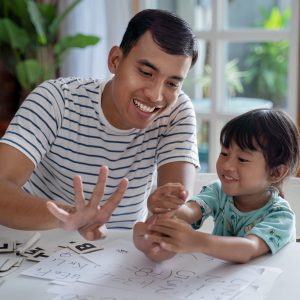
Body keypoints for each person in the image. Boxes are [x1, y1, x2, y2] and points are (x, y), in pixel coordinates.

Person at [0, 9, 199, 242]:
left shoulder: (176, 112)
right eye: (146, 72)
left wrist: (165, 222)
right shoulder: (56, 99)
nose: (156, 96)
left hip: (119, 259)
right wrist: (69, 216)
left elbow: (175, 212)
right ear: (115, 60)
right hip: (38, 247)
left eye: (172, 84)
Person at [135, 108, 300, 263]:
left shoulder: (280, 216)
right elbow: (189, 212)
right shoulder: (219, 191)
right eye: (224, 153)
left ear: (276, 173)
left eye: (242, 159)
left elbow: (249, 248)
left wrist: (198, 241)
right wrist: (163, 205)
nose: (227, 165)